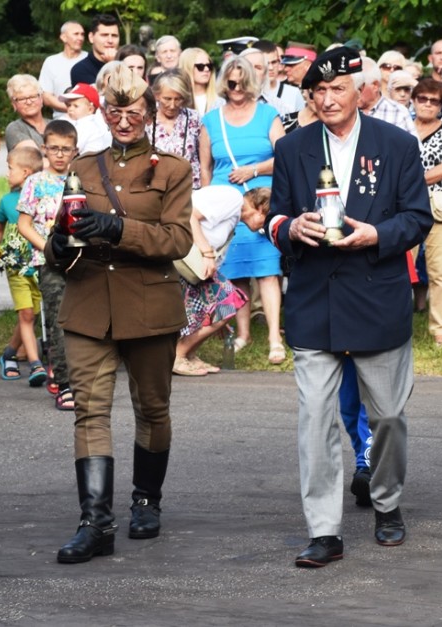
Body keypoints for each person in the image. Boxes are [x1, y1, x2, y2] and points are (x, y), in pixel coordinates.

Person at [267, 46, 433, 568]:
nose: (328, 98)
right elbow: (274, 216)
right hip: (315, 300)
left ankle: (386, 501)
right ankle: (324, 530)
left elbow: (417, 219)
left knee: (386, 416)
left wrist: (375, 235)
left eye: (338, 88)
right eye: (318, 91)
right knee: (315, 418)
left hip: (376, 297)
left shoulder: (398, 144)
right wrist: (289, 228)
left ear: (361, 90)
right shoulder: (293, 148)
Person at [45, 64, 193, 563]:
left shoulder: (171, 169)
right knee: (89, 410)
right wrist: (59, 246)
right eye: (115, 111)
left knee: (152, 408)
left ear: (149, 113)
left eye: (133, 111)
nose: (123, 120)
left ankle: (147, 501)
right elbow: (60, 238)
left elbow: (177, 240)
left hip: (150, 304)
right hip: (88, 302)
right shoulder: (84, 167)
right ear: (104, 114)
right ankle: (96, 524)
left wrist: (116, 227)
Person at [199, 54, 287, 364]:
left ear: (251, 81)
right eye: (230, 81)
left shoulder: (267, 115)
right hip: (226, 206)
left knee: (267, 270)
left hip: (261, 204)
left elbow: (285, 157)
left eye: (241, 81)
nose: (236, 87)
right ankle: (244, 334)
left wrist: (254, 170)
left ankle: (276, 338)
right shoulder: (211, 120)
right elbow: (206, 168)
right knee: (234, 273)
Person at [16, 120, 80, 412]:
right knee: (58, 321)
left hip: (80, 260)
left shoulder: (80, 181)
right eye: (53, 148)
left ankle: (83, 379)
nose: (59, 154)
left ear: (74, 151)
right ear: (44, 149)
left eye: (65, 149)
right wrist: (48, 248)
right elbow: (24, 224)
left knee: (83, 322)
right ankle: (65, 383)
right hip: (49, 261)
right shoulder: (35, 182)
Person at [173, 186, 250, 376]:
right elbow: (189, 214)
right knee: (230, 301)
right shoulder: (234, 198)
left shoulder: (235, 216)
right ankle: (178, 355)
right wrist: (207, 252)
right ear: (261, 207)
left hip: (197, 267)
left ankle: (189, 354)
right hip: (187, 258)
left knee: (221, 309)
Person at [0, 146, 47, 386]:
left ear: (25, 172)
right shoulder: (7, 201)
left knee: (31, 315)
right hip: (16, 267)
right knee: (25, 314)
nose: (6, 174)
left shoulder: (43, 198)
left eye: (10, 169)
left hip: (39, 265)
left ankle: (9, 354)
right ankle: (35, 365)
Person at [412, 78, 442, 345]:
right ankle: (394, 326)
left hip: (439, 206)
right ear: (414, 100)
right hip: (405, 207)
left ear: (441, 105)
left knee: (440, 270)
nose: (428, 105)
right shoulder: (402, 130)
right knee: (398, 268)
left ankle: (440, 330)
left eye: (435, 101)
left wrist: (410, 183)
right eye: (423, 99)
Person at [147, 69, 202, 189]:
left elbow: (203, 156)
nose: (172, 105)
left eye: (178, 99)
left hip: (189, 188)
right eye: (167, 99)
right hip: (155, 188)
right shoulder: (146, 118)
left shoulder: (193, 117)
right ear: (156, 95)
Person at [39, 21, 88, 120]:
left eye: (82, 34)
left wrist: (82, 111)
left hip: (89, 119)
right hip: (60, 120)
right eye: (76, 34)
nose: (80, 38)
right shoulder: (51, 62)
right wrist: (72, 109)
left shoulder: (89, 59)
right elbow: (46, 97)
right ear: (63, 37)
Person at [357, 58, 418, 138]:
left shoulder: (398, 112)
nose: (354, 92)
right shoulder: (346, 111)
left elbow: (414, 148)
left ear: (375, 85)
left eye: (359, 87)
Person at [58, 83, 110, 155]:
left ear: (90, 110)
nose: (70, 109)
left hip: (91, 162)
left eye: (76, 106)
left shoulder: (88, 125)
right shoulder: (72, 120)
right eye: (69, 105)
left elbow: (73, 146)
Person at [70, 14, 120, 85]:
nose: (110, 40)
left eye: (114, 36)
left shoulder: (127, 63)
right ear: (91, 37)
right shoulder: (80, 69)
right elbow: (104, 93)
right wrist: (112, 65)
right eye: (104, 35)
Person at [4, 75, 50, 151]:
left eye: (33, 97)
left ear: (41, 98)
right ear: (14, 104)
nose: (28, 102)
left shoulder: (55, 124)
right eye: (22, 99)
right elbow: (34, 158)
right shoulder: (14, 128)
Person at [178, 47, 216, 115]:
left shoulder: (220, 101)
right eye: (200, 66)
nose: (206, 69)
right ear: (187, 68)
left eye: (209, 66)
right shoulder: (177, 100)